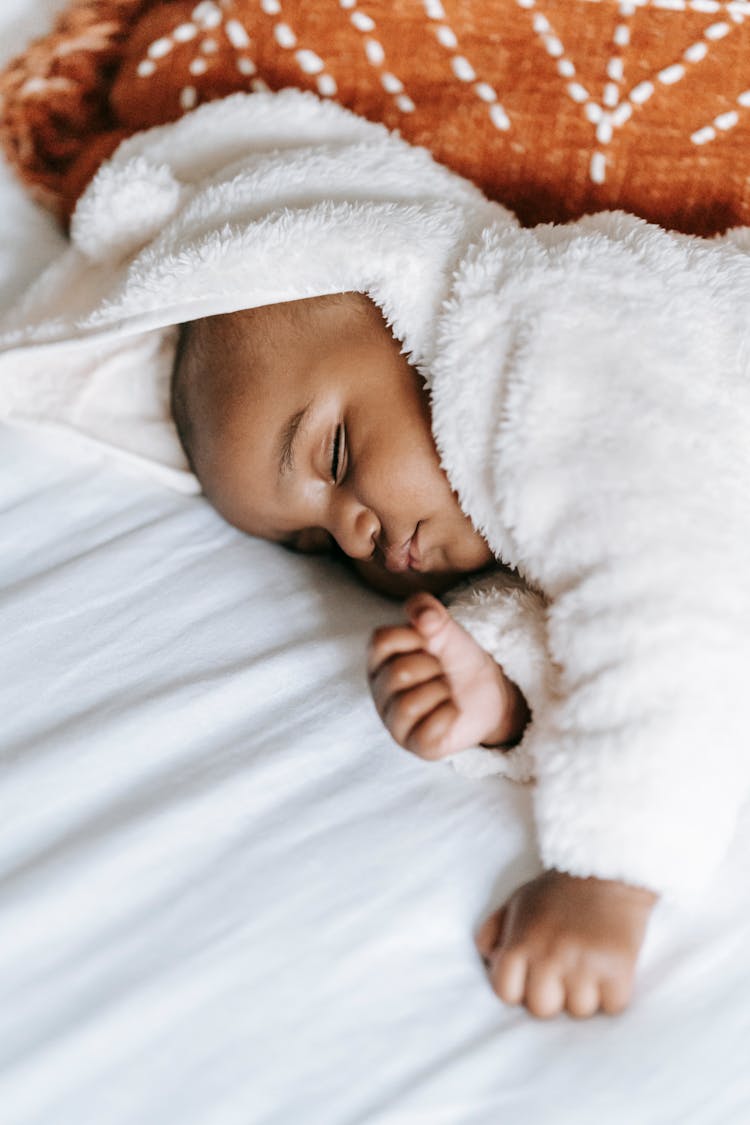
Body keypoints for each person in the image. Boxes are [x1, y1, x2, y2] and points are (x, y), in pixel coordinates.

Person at [170, 290, 660, 1020]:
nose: (348, 534)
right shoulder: (503, 540)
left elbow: (666, 616)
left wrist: (609, 873)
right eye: (312, 542)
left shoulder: (565, 365)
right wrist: (498, 695)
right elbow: (576, 625)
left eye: (334, 454)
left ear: (412, 323)